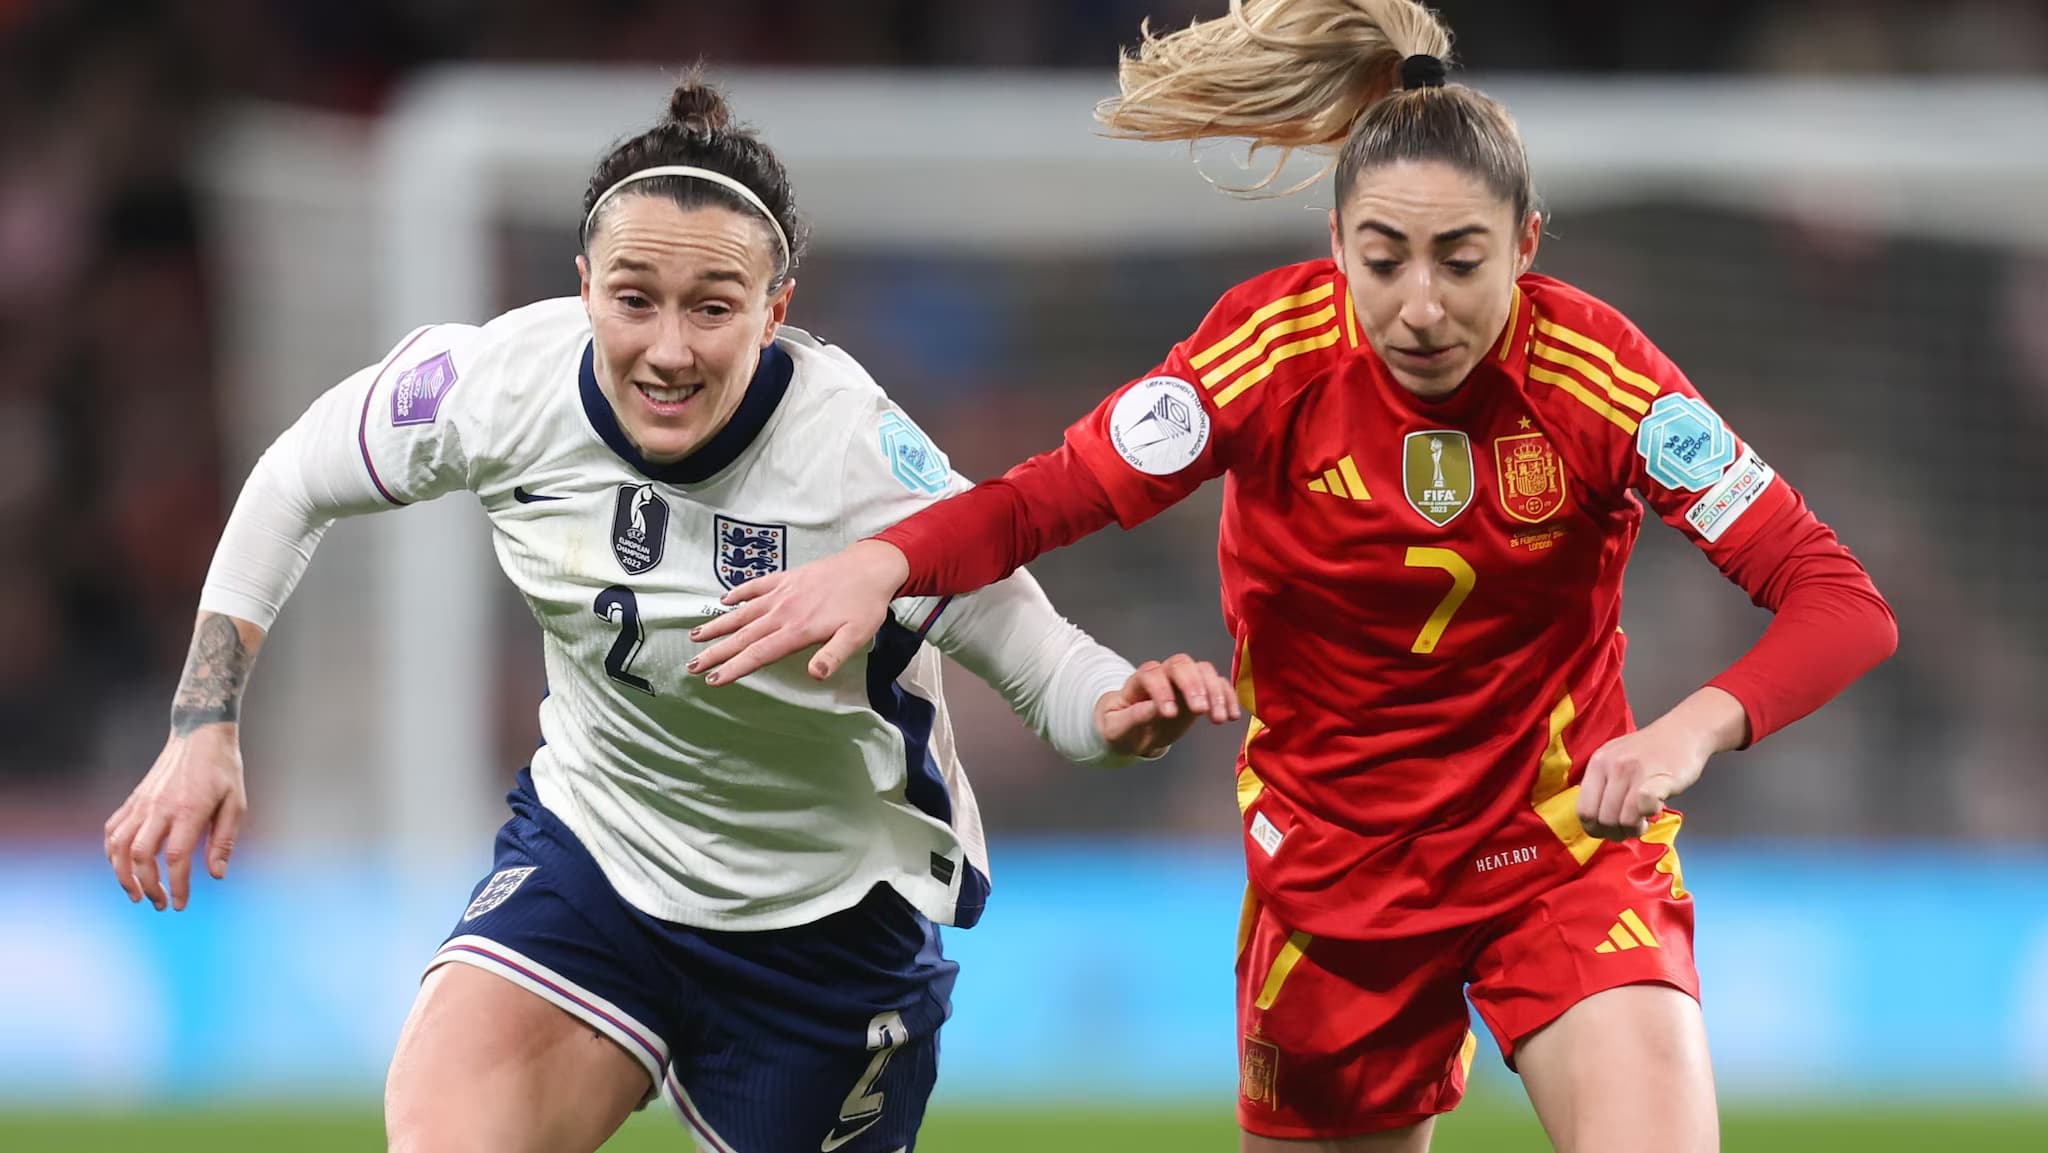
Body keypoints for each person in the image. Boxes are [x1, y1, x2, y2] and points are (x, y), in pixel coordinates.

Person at [689, 5, 1899, 1152]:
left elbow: (1838, 601)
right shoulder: (1262, 353)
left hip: (1558, 853)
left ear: (1525, 245)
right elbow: (1044, 497)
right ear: (1335, 245)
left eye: (1460, 261)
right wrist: (884, 560)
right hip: (1333, 883)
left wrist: (1686, 732)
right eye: (1383, 259)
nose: (1418, 307)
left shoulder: (1599, 375)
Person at [101, 73, 1237, 1153]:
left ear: (775, 311)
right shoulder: (499, 385)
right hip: (597, 863)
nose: (669, 349)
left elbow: (1035, 655)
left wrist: (1117, 711)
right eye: (634, 299)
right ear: (584, 284)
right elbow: (294, 479)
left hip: (825, 928)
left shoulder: (852, 456)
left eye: (713, 307)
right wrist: (203, 724)